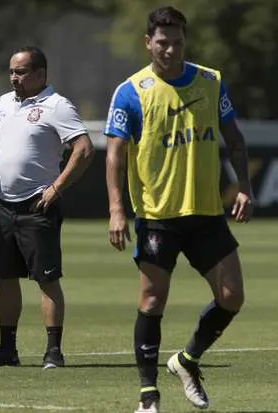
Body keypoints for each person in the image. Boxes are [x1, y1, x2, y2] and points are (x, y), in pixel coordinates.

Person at [104, 6, 252, 413]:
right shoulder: (131, 91)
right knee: (152, 300)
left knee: (232, 297)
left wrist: (244, 187)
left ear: (185, 42)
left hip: (206, 214)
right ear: (148, 43)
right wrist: (117, 209)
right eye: (163, 42)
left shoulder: (210, 81)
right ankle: (148, 396)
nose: (170, 49)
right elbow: (114, 156)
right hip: (157, 215)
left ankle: (186, 361)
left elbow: (234, 139)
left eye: (177, 42)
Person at [0, 47, 94, 369]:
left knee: (46, 279)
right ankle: (7, 349)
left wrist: (57, 187)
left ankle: (53, 351)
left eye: (22, 72)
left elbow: (83, 149)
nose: (14, 77)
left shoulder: (57, 106)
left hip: (37, 205)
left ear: (41, 74)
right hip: (2, 206)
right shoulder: (2, 103)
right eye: (12, 71)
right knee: (5, 278)